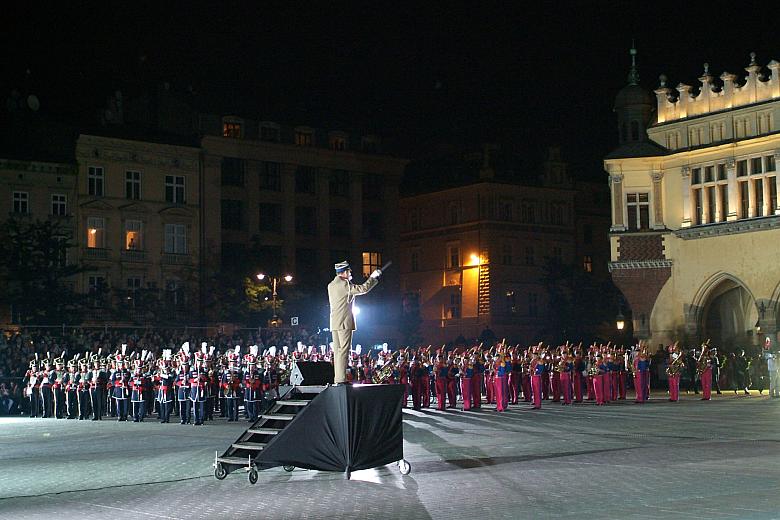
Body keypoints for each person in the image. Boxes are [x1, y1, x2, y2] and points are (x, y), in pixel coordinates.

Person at [327, 261, 381, 384]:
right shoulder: (344, 284)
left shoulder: (331, 285)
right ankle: (341, 379)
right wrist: (372, 277)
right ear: (344, 272)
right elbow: (363, 289)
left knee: (338, 351)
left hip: (335, 322)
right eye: (349, 271)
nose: (350, 273)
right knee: (343, 351)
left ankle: (338, 378)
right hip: (344, 322)